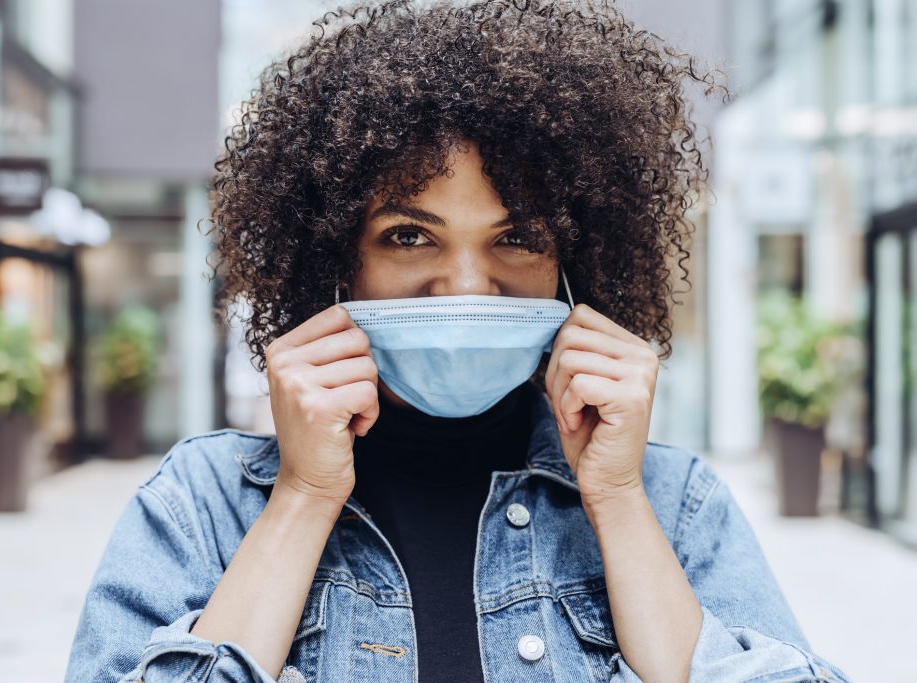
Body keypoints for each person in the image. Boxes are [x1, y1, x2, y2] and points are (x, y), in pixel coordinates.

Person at [65, 1, 853, 681]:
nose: (468, 284)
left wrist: (616, 502)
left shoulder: (672, 504)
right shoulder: (203, 505)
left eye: (517, 236)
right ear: (338, 260)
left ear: (571, 265)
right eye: (410, 236)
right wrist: (302, 499)